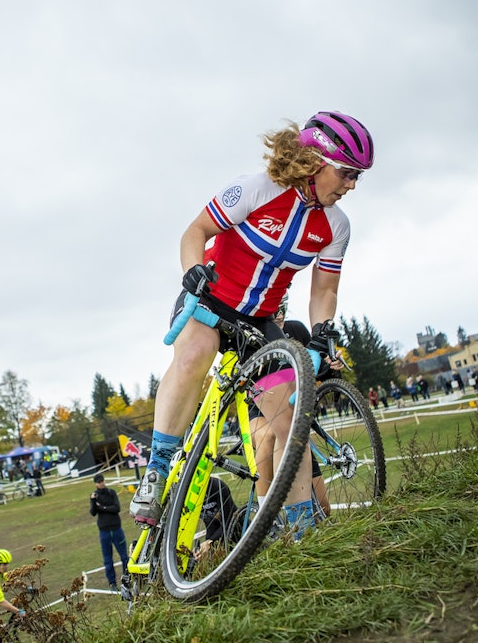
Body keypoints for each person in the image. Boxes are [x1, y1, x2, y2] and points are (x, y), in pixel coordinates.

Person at [130, 110, 375, 542]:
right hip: (210, 300)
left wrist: (322, 330)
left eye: (358, 176)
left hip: (259, 323)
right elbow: (196, 231)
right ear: (317, 160)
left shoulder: (336, 226)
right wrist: (192, 271)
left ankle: (302, 529)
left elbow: (323, 292)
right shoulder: (256, 189)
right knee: (194, 353)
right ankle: (158, 467)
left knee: (290, 419)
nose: (352, 184)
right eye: (348, 172)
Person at [89, 473, 129, 591]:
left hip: (116, 529)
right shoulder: (94, 496)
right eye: (99, 482)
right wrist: (93, 502)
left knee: (124, 556)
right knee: (108, 560)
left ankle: (127, 578)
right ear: (95, 483)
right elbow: (93, 512)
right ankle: (112, 583)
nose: (101, 483)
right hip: (104, 532)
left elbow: (116, 508)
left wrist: (102, 507)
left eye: (102, 481)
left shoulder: (111, 493)